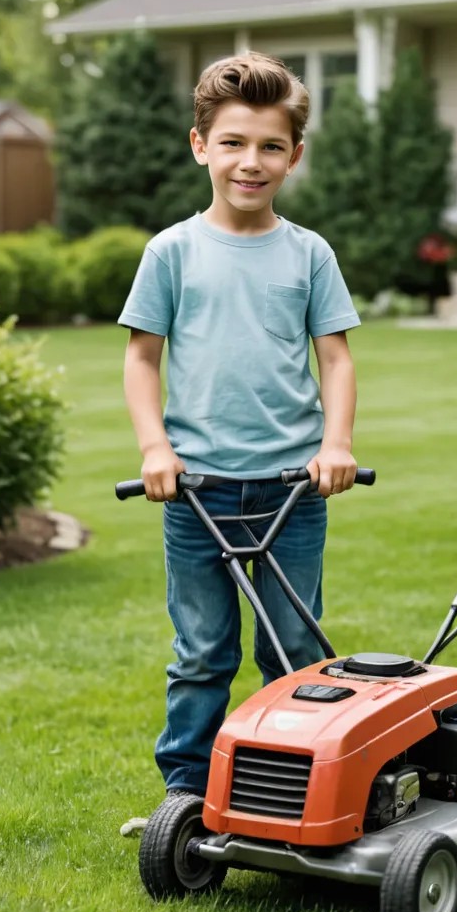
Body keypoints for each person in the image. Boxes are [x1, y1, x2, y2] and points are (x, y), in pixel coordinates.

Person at [118, 51, 361, 798]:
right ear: (201, 146)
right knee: (201, 652)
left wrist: (336, 443)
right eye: (232, 143)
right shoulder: (173, 252)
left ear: (294, 155)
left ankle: (288, 783)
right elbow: (141, 359)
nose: (249, 162)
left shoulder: (309, 255)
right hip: (197, 494)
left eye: (269, 146)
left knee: (295, 649)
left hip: (293, 491)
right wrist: (156, 447)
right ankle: (186, 796)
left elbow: (337, 360)